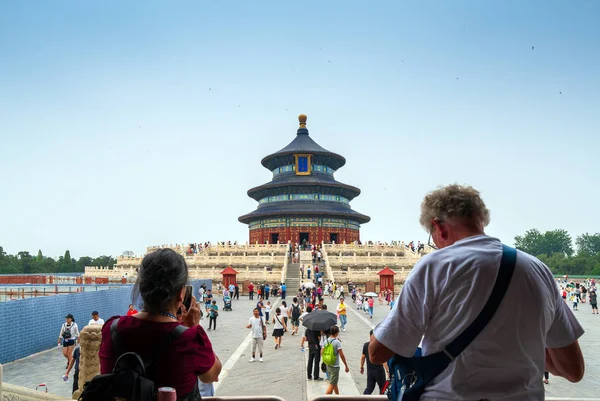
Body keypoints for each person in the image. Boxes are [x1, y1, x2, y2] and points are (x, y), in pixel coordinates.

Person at [369, 184, 585, 399]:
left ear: (439, 227)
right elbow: (573, 370)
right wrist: (518, 343)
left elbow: (378, 353)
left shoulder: (434, 266)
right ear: (480, 220)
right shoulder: (538, 269)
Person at [99, 248, 221, 399]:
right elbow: (211, 375)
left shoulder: (112, 328)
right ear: (182, 293)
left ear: (141, 288)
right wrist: (194, 327)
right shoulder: (189, 338)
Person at [322, 326, 349, 394]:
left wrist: (327, 359)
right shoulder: (337, 342)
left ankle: (337, 396)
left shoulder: (326, 341)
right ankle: (325, 398)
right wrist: (346, 365)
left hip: (328, 365)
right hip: (335, 366)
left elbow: (321, 352)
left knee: (334, 382)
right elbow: (342, 355)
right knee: (332, 384)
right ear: (336, 333)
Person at [360, 330, 388, 394]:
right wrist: (387, 371)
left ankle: (363, 398)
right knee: (382, 388)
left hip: (370, 371)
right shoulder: (379, 346)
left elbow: (362, 357)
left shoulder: (366, 345)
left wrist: (361, 367)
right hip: (379, 371)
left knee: (369, 388)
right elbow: (383, 361)